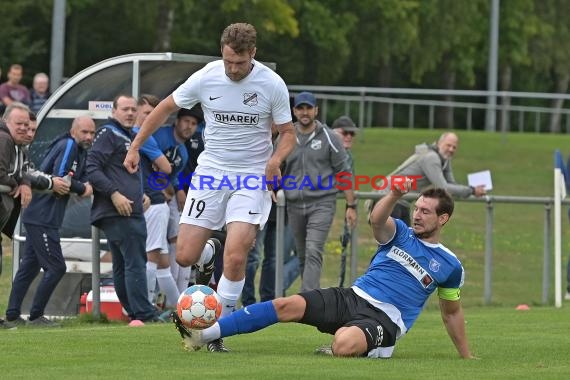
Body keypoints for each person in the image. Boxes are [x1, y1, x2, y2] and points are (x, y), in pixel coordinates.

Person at [124, 23, 296, 351]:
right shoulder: (207, 76)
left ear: (253, 54)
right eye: (229, 61)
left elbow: (288, 133)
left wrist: (275, 161)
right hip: (211, 174)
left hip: (250, 176)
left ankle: (219, 333)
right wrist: (135, 147)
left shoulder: (272, 84)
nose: (233, 69)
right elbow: (164, 108)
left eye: (241, 63)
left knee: (237, 253)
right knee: (186, 255)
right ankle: (207, 255)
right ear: (222, 51)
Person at [174, 181, 476, 360]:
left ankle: (368, 344)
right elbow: (375, 220)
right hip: (352, 297)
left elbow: (451, 312)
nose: (418, 215)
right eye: (417, 208)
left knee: (343, 344)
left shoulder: (450, 266)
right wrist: (395, 195)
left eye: (425, 211)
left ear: (443, 218)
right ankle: (203, 335)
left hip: (386, 319)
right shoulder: (400, 232)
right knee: (286, 304)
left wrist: (465, 356)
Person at [3, 116, 95, 328]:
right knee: (56, 267)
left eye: (92, 133)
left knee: (29, 268)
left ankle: (13, 314)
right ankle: (36, 316)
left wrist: (85, 184)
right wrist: (83, 188)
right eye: (84, 132)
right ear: (73, 131)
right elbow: (61, 179)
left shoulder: (79, 149)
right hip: (42, 216)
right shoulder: (69, 145)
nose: (89, 136)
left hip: (46, 216)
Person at [87, 94, 162, 323]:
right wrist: (114, 194)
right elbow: (92, 167)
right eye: (124, 109)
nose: (130, 113)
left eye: (133, 109)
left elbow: (119, 172)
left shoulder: (128, 135)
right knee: (135, 262)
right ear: (113, 112)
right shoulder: (109, 133)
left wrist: (141, 195)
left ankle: (133, 313)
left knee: (122, 265)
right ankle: (144, 314)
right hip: (120, 210)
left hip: (129, 208)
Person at [282, 92, 357, 292]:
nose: (305, 112)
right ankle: (308, 300)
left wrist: (351, 205)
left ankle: (307, 301)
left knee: (313, 249)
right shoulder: (286, 137)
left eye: (308, 108)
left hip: (322, 203)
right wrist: (272, 187)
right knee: (302, 255)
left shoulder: (330, 137)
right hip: (294, 204)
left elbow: (344, 171)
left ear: (316, 110)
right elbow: (274, 165)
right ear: (294, 111)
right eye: (300, 108)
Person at [367, 132, 486, 226]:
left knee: (403, 246)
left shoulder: (444, 159)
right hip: (389, 197)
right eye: (448, 145)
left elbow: (451, 184)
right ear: (439, 143)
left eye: (454, 147)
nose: (451, 149)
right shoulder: (432, 158)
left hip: (402, 200)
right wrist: (472, 190)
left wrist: (471, 189)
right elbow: (443, 187)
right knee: (390, 245)